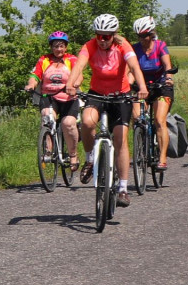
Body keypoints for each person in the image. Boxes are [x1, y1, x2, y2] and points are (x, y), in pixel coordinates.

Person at [65, 14, 148, 208]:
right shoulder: (90, 46)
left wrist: (142, 88)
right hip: (97, 93)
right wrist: (70, 84)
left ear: (113, 35)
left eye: (106, 36)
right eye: (99, 35)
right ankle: (90, 159)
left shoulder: (123, 46)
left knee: (120, 138)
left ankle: (123, 189)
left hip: (121, 95)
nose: (102, 40)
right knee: (86, 122)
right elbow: (79, 66)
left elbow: (134, 67)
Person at [24, 31, 80, 171]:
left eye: (61, 46)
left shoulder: (71, 59)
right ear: (51, 47)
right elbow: (35, 75)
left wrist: (74, 85)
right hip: (49, 97)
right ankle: (49, 150)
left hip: (68, 98)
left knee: (69, 123)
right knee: (46, 116)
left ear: (66, 47)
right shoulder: (44, 60)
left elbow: (79, 76)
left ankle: (73, 155)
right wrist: (31, 84)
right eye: (55, 46)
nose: (58, 49)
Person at [130, 16, 174, 171]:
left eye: (145, 35)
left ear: (152, 34)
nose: (142, 39)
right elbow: (131, 70)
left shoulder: (160, 46)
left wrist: (168, 77)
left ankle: (162, 158)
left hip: (161, 86)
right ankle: (141, 144)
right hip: (142, 87)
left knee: (159, 120)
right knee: (136, 117)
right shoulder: (134, 49)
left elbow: (167, 65)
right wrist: (128, 83)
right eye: (139, 36)